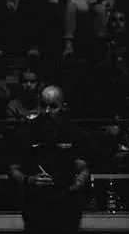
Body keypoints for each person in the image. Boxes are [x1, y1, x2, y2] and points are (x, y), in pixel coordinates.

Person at [7, 85, 90, 234]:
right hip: (36, 205)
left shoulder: (75, 133)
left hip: (67, 205)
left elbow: (84, 168)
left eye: (53, 106)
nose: (47, 111)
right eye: (43, 105)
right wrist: (29, 180)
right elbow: (13, 168)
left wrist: (75, 185)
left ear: (63, 106)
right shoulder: (25, 133)